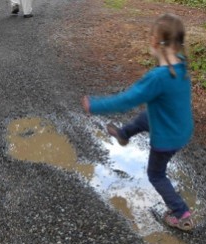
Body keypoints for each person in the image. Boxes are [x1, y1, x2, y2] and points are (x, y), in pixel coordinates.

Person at [81, 13, 194, 231]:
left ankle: (182, 214)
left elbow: (127, 100)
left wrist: (95, 105)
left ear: (154, 42)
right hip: (181, 128)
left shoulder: (158, 77)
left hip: (168, 138)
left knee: (156, 174)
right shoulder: (181, 65)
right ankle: (124, 134)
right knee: (145, 117)